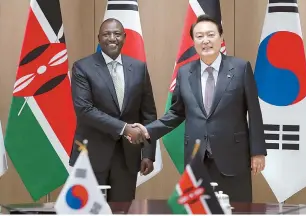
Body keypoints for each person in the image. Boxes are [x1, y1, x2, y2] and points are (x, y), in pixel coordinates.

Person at [131, 14, 267, 202]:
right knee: (198, 210)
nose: (205, 41)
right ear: (194, 41)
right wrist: (148, 130)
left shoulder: (240, 68)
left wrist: (258, 151)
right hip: (197, 159)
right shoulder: (185, 72)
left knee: (237, 210)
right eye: (199, 36)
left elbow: (254, 111)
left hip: (233, 158)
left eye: (210, 35)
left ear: (220, 38)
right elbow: (176, 113)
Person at [69, 18, 157, 202]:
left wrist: (148, 153)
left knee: (122, 211)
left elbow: (148, 114)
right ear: (99, 38)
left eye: (117, 34)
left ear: (124, 38)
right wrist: (124, 128)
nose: (112, 38)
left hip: (127, 158)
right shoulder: (82, 67)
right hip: (91, 155)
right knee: (90, 211)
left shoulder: (139, 68)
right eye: (107, 34)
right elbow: (84, 110)